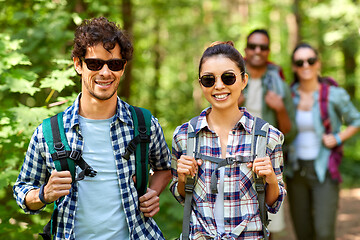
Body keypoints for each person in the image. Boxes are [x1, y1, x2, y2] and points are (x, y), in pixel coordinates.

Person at [13, 17, 172, 240]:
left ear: (123, 67)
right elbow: (22, 188)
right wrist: (44, 194)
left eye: (114, 64)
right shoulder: (48, 132)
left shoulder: (144, 124)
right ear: (78, 64)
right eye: (95, 64)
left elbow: (165, 168)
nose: (105, 72)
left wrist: (152, 193)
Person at [170, 41, 286, 239]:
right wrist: (182, 177)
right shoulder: (184, 136)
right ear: (200, 84)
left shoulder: (268, 137)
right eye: (209, 80)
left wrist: (272, 180)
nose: (219, 86)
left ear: (243, 80)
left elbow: (273, 203)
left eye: (228, 77)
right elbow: (182, 195)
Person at [287, 43, 360, 240]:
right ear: (294, 66)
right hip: (295, 171)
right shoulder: (288, 95)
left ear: (318, 63)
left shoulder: (333, 94)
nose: (305, 65)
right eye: (299, 62)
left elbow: (357, 120)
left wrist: (337, 137)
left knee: (324, 232)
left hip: (324, 170)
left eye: (310, 60)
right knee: (303, 233)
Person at [239, 29, 297, 238]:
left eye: (262, 47)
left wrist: (280, 108)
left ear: (268, 51)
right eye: (253, 46)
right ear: (245, 50)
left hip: (267, 163)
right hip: (234, 159)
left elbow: (290, 132)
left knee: (268, 224)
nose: (257, 51)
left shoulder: (279, 86)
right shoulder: (232, 82)